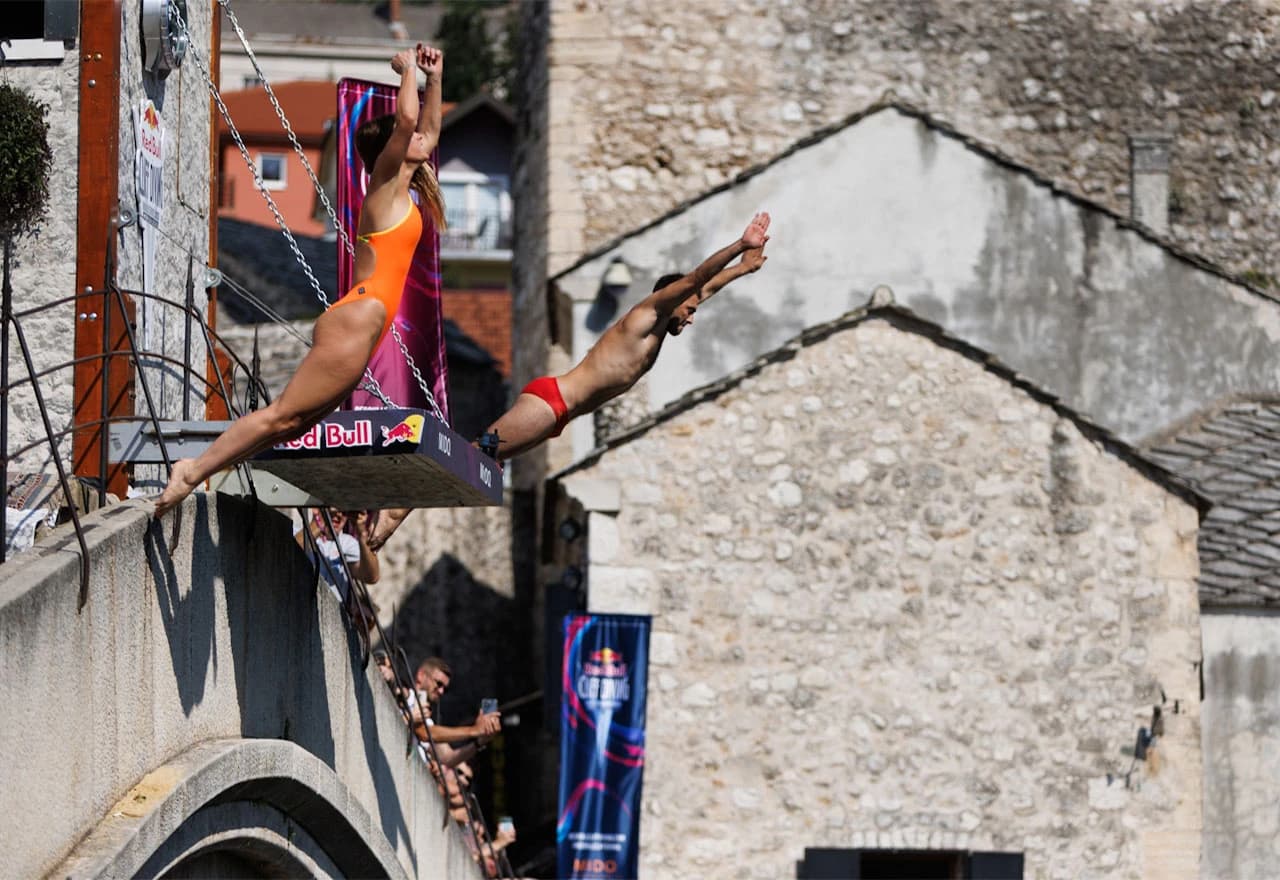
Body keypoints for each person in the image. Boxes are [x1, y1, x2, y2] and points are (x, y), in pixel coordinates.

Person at [153, 43, 446, 517]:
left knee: (291, 425)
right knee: (280, 415)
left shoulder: (407, 183)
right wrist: (408, 72)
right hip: (357, 317)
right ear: (389, 149)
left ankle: (210, 474)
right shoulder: (384, 188)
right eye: (405, 137)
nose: (419, 141)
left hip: (364, 325)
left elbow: (426, 129)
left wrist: (436, 77)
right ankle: (192, 471)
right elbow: (412, 123)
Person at [368, 213, 771, 549]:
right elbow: (698, 278)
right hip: (550, 402)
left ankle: (399, 503)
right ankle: (398, 504)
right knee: (475, 455)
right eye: (691, 308)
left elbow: (704, 287)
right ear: (674, 297)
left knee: (480, 463)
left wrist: (744, 270)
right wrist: (739, 245)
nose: (693, 315)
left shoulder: (662, 326)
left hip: (556, 412)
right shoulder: (647, 315)